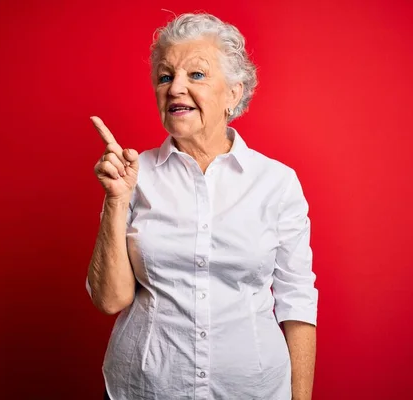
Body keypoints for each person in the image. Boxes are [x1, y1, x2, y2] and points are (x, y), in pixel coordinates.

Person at [86, 12, 318, 400]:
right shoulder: (132, 174)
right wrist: (116, 199)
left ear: (233, 93)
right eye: (165, 76)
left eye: (196, 75)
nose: (175, 87)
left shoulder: (277, 182)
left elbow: (297, 300)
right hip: (145, 388)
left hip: (253, 390)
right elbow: (110, 299)